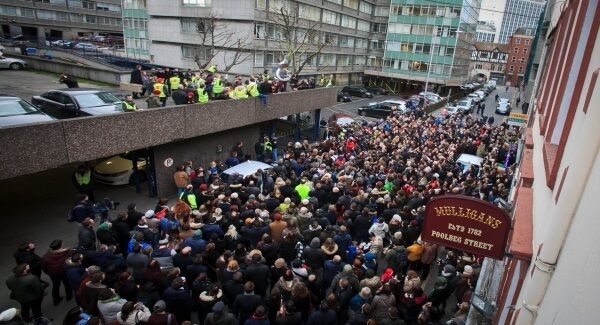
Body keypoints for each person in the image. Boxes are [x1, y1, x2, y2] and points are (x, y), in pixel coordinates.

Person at [41, 239, 72, 305]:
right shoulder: (67, 253)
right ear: (61, 245)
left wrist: (49, 272)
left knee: (55, 286)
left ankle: (56, 299)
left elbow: (44, 267)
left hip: (53, 274)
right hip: (64, 272)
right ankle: (69, 296)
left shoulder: (46, 256)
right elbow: (70, 262)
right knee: (67, 284)